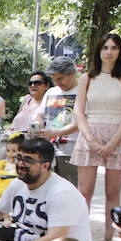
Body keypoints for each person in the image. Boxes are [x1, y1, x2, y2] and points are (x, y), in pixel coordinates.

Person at [73, 33, 121, 241]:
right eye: (105, 47)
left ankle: (108, 237)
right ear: (99, 51)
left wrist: (112, 143)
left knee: (113, 192)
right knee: (84, 191)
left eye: (114, 48)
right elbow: (79, 111)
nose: (109, 52)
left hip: (118, 135)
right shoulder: (87, 78)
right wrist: (91, 140)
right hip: (90, 133)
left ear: (120, 52)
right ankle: (80, 236)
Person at [38, 57, 82, 185]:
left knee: (72, 189)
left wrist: (56, 133)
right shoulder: (51, 92)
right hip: (49, 151)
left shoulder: (83, 92)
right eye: (54, 79)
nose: (57, 82)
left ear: (72, 74)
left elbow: (80, 123)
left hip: (72, 150)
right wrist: (37, 125)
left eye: (60, 78)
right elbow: (40, 114)